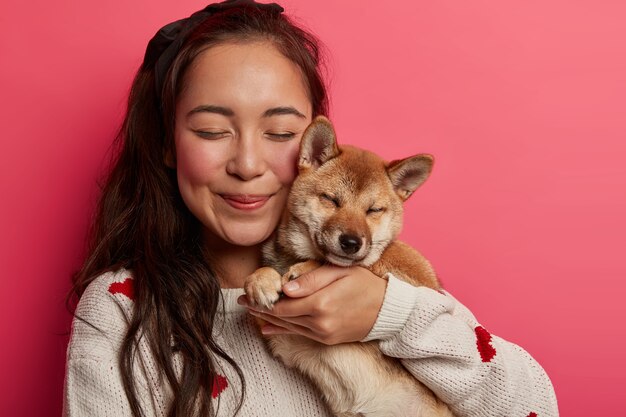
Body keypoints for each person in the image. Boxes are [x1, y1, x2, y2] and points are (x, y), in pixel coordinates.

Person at [63, 1, 559, 416]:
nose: (248, 163)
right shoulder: (122, 309)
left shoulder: (388, 288)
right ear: (168, 144)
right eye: (212, 131)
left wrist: (394, 316)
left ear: (315, 149)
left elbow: (535, 407)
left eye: (280, 133)